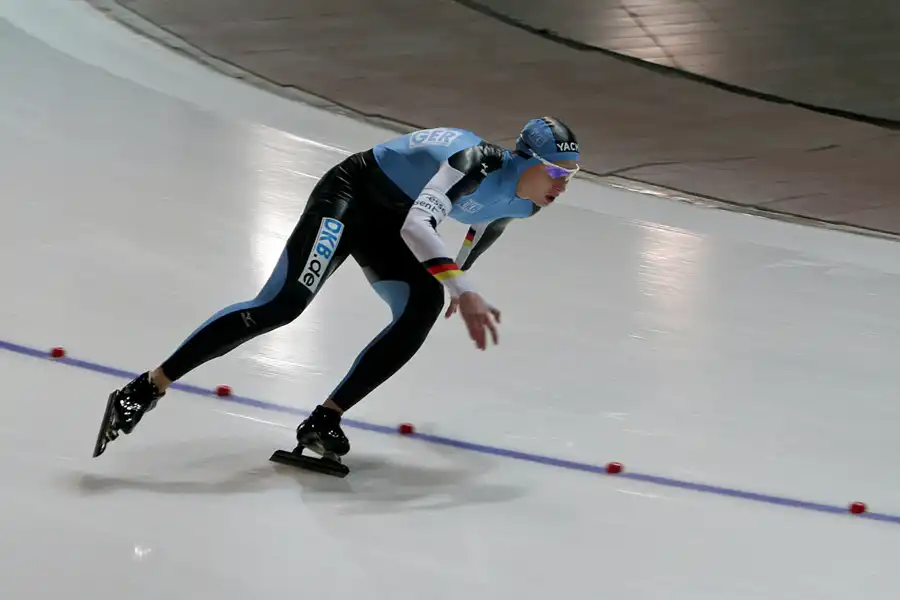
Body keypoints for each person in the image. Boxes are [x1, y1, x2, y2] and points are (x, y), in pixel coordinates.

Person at [92, 116, 581, 466]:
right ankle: (146, 387)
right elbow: (418, 223)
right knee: (282, 306)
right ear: (527, 162)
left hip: (394, 222)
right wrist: (462, 284)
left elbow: (490, 222)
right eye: (558, 173)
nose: (562, 186)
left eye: (571, 177)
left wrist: (462, 274)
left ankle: (325, 420)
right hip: (353, 194)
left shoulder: (529, 204)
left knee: (422, 307)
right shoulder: (472, 160)